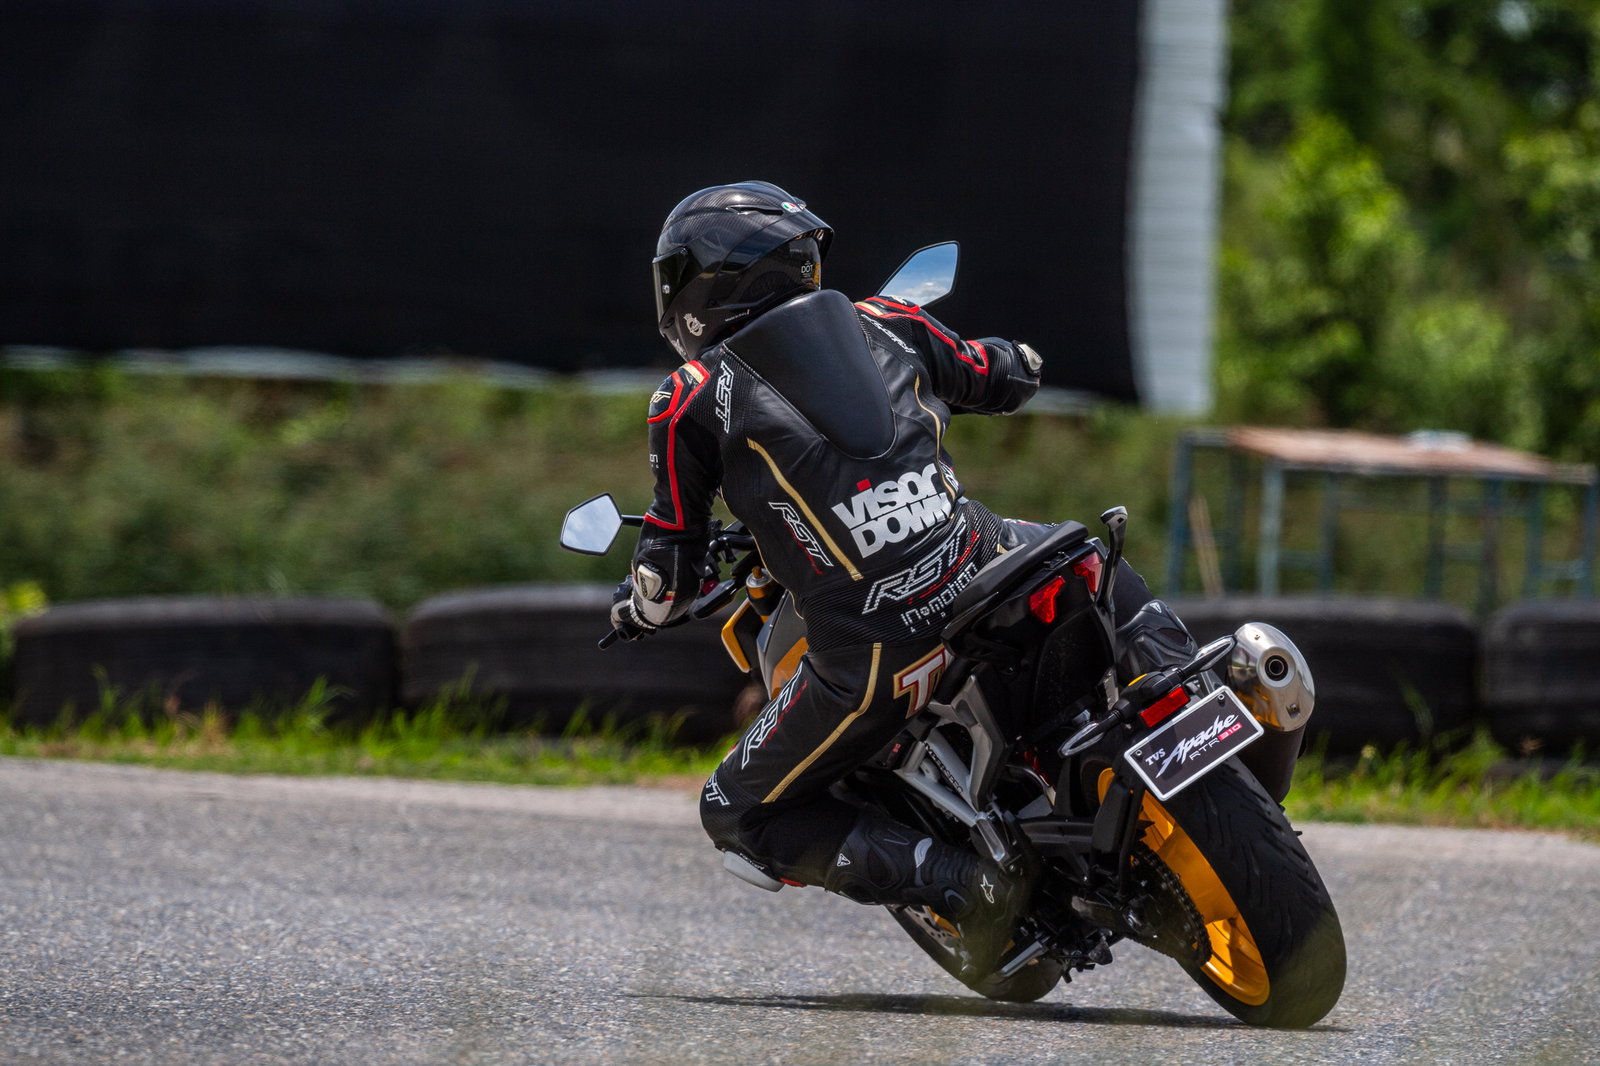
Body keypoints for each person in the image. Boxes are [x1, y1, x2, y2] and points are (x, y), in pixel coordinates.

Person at [611, 180, 1062, 977]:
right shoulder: (885, 320)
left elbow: (669, 568)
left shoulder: (688, 397)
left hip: (878, 648)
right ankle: (1185, 694)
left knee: (733, 811)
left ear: (704, 284)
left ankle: (971, 885)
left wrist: (637, 610)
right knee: (1083, 555)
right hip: (985, 558)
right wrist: (1022, 359)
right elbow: (998, 373)